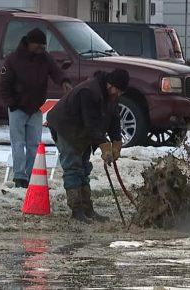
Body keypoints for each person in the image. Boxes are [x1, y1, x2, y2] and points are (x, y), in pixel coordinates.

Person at [46, 69, 129, 224]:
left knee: (84, 168)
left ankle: (87, 209)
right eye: (116, 89)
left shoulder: (112, 95)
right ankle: (76, 210)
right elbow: (91, 122)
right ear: (109, 84)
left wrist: (116, 143)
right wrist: (104, 145)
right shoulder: (89, 91)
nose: (117, 94)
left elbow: (113, 119)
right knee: (73, 168)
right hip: (67, 127)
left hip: (82, 131)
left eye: (120, 92)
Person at [0, 28, 71, 188]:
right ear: (29, 43)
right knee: (17, 143)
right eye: (38, 46)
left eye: (43, 47)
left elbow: (56, 72)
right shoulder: (12, 60)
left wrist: (64, 81)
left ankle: (31, 175)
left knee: (34, 144)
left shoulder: (45, 58)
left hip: (35, 108)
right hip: (17, 108)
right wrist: (11, 103)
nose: (41, 50)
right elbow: (4, 84)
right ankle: (19, 176)